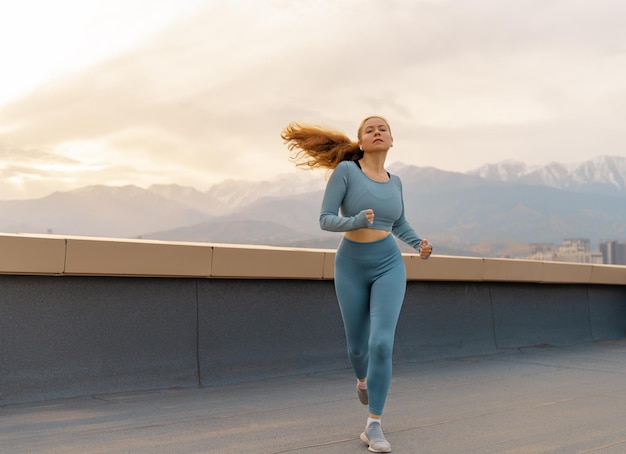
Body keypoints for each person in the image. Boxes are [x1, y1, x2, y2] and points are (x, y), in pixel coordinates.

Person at [281, 116, 432, 453]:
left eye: (383, 129)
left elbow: (398, 223)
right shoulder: (347, 172)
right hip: (350, 264)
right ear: (361, 142)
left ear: (392, 140)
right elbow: (325, 219)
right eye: (369, 129)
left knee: (381, 343)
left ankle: (374, 425)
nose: (377, 132)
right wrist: (355, 220)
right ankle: (362, 379)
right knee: (358, 349)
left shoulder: (396, 182)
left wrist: (418, 242)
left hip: (388, 263)